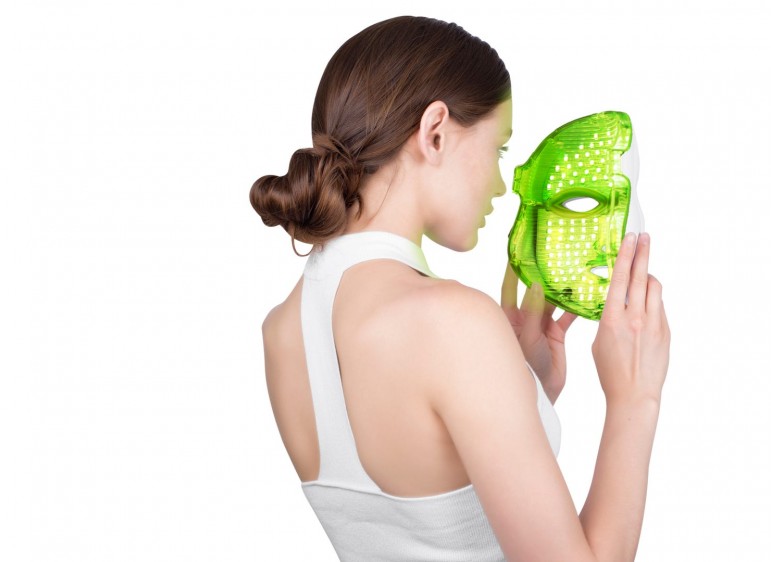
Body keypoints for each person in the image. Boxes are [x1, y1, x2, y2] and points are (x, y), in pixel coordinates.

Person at [249, 15, 670, 562]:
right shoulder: (453, 321)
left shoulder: (282, 330)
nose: (501, 184)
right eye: (498, 151)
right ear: (436, 131)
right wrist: (635, 397)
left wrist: (523, 390)